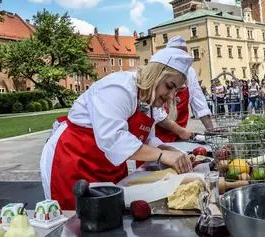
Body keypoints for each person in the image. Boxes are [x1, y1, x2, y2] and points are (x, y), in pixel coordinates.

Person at [40, 47, 195, 209]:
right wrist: (163, 155)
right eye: (169, 86)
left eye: (175, 90)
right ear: (155, 75)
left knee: (111, 215)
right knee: (76, 219)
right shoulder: (119, 87)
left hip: (109, 166)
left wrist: (169, 150)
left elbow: (148, 139)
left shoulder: (148, 100)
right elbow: (114, 139)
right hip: (75, 160)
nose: (171, 95)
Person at [155, 36, 214, 142]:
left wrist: (213, 132)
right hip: (156, 136)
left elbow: (199, 103)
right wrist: (180, 131)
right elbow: (156, 112)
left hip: (179, 136)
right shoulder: (159, 70)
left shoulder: (190, 72)